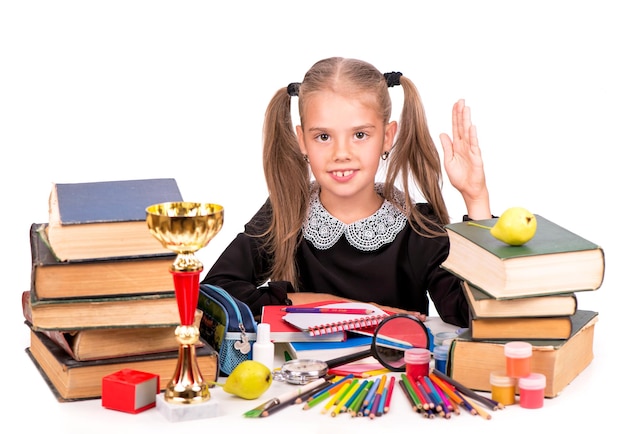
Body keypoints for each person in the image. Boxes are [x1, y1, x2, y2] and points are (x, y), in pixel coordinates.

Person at [201, 57, 491, 327]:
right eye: (323, 137)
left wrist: (475, 198)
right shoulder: (286, 212)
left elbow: (473, 314)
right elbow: (216, 293)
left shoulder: (418, 229)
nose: (341, 153)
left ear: (387, 137)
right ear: (303, 141)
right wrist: (349, 308)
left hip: (393, 378)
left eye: (360, 135)